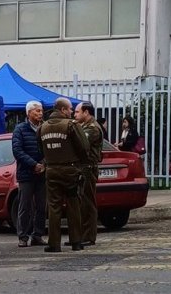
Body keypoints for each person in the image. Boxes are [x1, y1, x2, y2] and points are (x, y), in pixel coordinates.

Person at [38, 97, 89, 253]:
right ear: (62, 110)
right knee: (73, 206)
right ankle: (76, 241)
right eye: (69, 109)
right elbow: (84, 147)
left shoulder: (43, 127)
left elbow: (40, 149)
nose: (72, 112)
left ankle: (54, 243)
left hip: (52, 171)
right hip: (70, 170)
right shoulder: (71, 126)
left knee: (54, 207)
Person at [11, 100, 46, 248]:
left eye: (41, 110)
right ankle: (23, 236)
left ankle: (37, 235)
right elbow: (17, 151)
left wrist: (43, 164)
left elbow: (49, 148)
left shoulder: (45, 128)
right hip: (26, 174)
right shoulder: (20, 129)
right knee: (25, 206)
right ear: (29, 113)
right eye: (37, 111)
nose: (40, 113)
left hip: (42, 173)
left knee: (41, 206)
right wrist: (34, 164)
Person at [76, 101, 103, 247]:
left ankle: (88, 236)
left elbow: (80, 143)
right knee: (81, 203)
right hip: (82, 167)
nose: (75, 115)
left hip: (88, 168)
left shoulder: (92, 128)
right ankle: (80, 235)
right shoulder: (83, 126)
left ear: (86, 112)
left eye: (77, 112)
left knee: (88, 203)